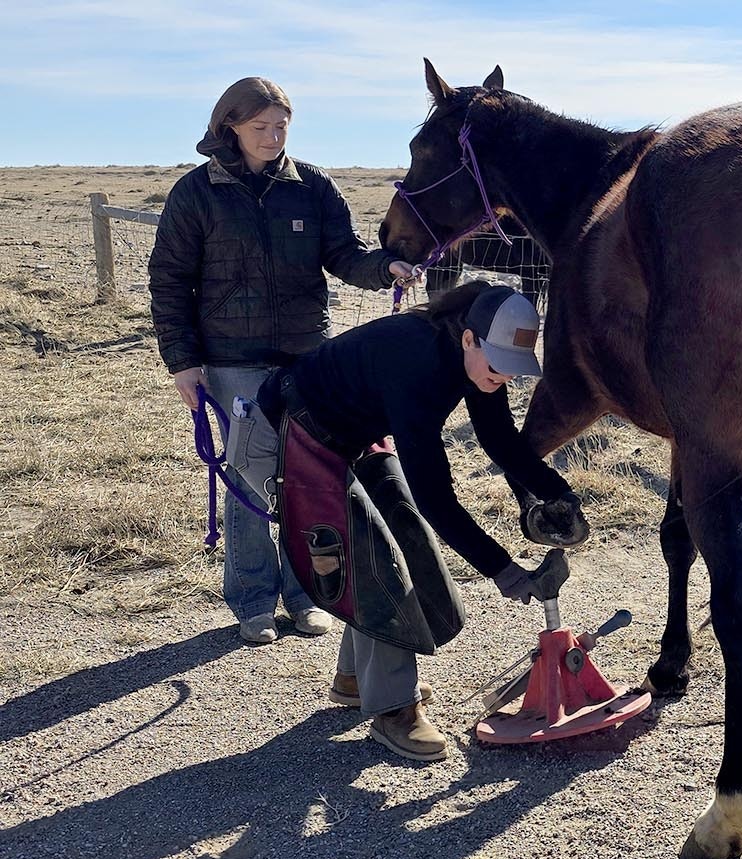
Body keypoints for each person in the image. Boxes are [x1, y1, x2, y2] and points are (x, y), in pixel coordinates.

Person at [255, 280, 577, 761]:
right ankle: (393, 710)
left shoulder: (476, 360)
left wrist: (559, 494)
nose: (502, 378)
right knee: (376, 560)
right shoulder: (418, 363)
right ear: (469, 339)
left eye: (513, 371)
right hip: (292, 432)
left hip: (351, 435)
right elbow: (434, 495)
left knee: (404, 539)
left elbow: (500, 438)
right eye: (497, 366)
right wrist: (501, 568)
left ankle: (352, 680)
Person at [149, 77, 421, 644]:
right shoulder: (196, 193)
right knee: (249, 481)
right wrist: (182, 361)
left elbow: (342, 255)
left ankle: (308, 596)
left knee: (309, 477)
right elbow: (170, 282)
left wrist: (382, 269)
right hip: (232, 360)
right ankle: (252, 599)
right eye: (260, 127)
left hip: (308, 358)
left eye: (281, 127)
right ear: (230, 126)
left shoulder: (312, 187)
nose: (273, 137)